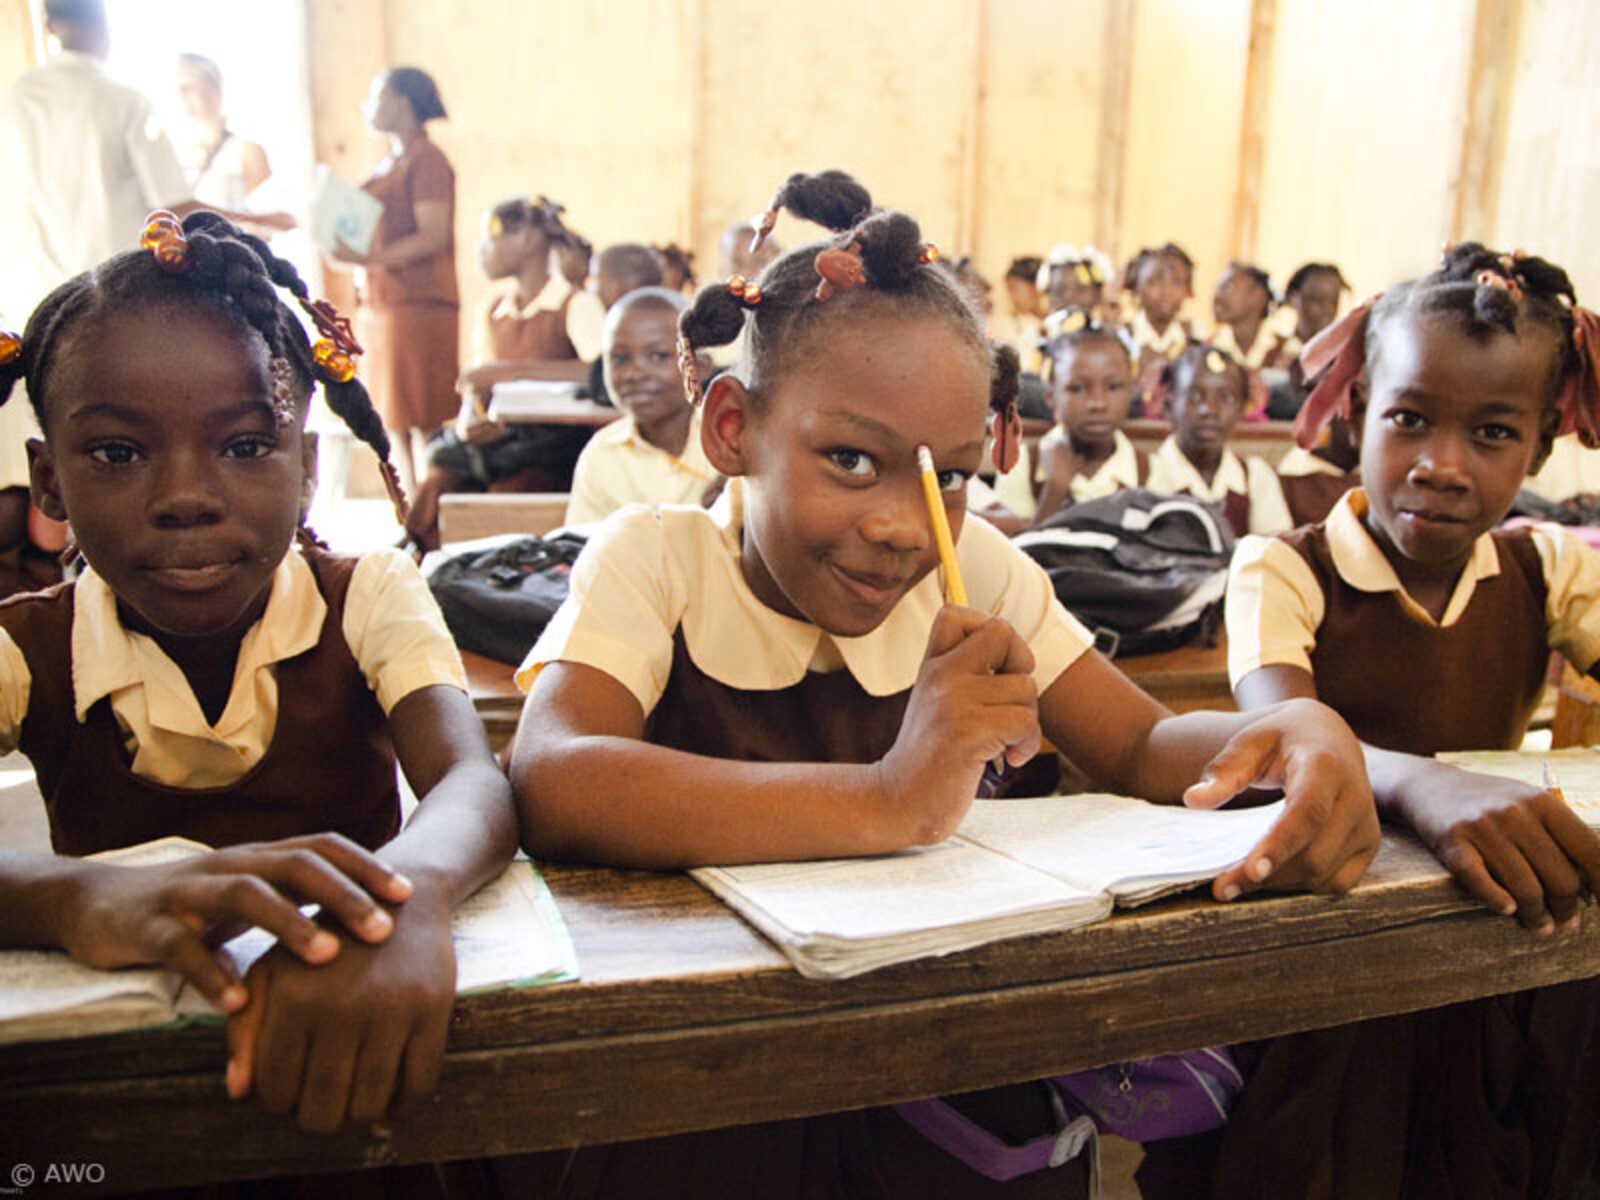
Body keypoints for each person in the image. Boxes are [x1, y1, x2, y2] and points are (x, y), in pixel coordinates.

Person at [505, 170, 1379, 1198]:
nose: (902, 526)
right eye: (848, 459)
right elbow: (556, 780)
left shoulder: (983, 577)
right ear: (733, 427)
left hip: (955, 1091)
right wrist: (887, 798)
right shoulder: (657, 561)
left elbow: (1142, 748)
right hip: (716, 1097)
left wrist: (1294, 726)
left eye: (948, 476)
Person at [0, 211, 515, 1136]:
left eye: (244, 446)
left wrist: (409, 899)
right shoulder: (26, 649)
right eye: (118, 453)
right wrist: (72, 897)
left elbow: (473, 782)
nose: (187, 498)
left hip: (363, 1070)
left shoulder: (366, 599)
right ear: (47, 483)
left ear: (308, 469)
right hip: (121, 1105)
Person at [1204, 242, 1600, 1200]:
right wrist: (1426, 779)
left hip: (1487, 959)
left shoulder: (1546, 568)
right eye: (1410, 420)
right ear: (1354, 417)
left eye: (1494, 433)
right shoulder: (1284, 567)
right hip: (1322, 975)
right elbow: (1285, 732)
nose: (1442, 466)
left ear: (1541, 449)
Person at [402, 201, 618, 551]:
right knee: (436, 485)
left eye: (489, 240)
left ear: (529, 241)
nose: (481, 251)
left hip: (555, 448)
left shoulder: (574, 304)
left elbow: (600, 372)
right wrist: (470, 422)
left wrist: (510, 373)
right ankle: (426, 576)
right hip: (500, 442)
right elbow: (479, 388)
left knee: (507, 497)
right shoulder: (492, 310)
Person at [330, 66, 458, 491]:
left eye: (377, 96)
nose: (370, 106)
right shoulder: (387, 162)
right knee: (394, 417)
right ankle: (409, 504)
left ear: (402, 103)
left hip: (417, 303)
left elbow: (433, 234)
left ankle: (433, 503)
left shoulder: (427, 160)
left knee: (423, 415)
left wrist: (373, 257)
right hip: (382, 303)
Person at [565, 287, 716, 526]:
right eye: (620, 358)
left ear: (699, 367)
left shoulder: (731, 442)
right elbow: (583, 549)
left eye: (658, 356)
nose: (634, 374)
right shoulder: (602, 455)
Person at [994, 312, 1146, 524]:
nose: (1098, 403)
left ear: (1131, 390)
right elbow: (1013, 554)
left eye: (1113, 387)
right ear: (1050, 395)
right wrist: (1055, 487)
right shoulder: (1023, 464)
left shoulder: (1147, 470)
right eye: (1077, 388)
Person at [1146, 344, 1292, 537]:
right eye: (1195, 396)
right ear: (1169, 404)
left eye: (1225, 398)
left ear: (1243, 409)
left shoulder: (1256, 477)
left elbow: (1273, 554)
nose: (1210, 410)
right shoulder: (1147, 474)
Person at [174, 52, 269, 213]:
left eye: (188, 86)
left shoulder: (247, 151)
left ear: (216, 89)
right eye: (179, 88)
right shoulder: (178, 154)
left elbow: (270, 220)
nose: (182, 95)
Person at [1210, 262, 1292, 371]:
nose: (1217, 297)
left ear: (1258, 298)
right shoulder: (1210, 346)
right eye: (1217, 289)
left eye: (1227, 288)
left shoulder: (1287, 348)